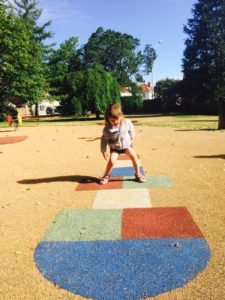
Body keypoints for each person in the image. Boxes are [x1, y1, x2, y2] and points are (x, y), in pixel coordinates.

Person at [100, 103, 145, 185]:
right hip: (115, 148)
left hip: (126, 146)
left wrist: (132, 138)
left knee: (134, 156)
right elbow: (103, 140)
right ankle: (106, 175)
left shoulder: (126, 122)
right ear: (108, 119)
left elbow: (131, 128)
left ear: (121, 116)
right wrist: (103, 150)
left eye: (117, 119)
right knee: (112, 161)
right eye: (112, 120)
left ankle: (138, 174)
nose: (116, 122)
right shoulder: (107, 129)